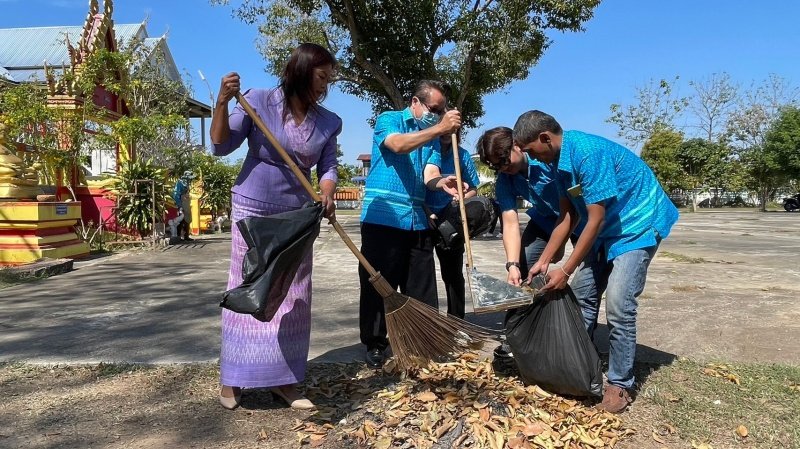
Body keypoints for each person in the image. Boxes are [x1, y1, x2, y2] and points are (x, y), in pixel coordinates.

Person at [513, 110, 679, 413]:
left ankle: (619, 384)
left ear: (545, 138)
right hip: (604, 231)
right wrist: (545, 261)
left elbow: (596, 218)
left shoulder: (588, 153)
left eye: (529, 149)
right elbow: (567, 216)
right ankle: (575, 364)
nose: (529, 158)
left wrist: (565, 268)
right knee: (582, 295)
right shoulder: (555, 163)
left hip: (636, 225)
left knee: (619, 303)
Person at [210, 43, 341, 411]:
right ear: (300, 71)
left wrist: (327, 190)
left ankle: (284, 381)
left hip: (298, 216)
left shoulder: (328, 121)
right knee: (250, 287)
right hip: (252, 209)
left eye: (328, 79)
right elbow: (222, 145)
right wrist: (221, 102)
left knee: (292, 295)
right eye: (320, 77)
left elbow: (328, 166)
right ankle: (233, 379)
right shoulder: (258, 100)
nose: (324, 86)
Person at [359, 80, 461, 368]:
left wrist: (442, 182)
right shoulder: (389, 119)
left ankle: (422, 340)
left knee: (422, 285)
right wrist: (440, 129)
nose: (438, 115)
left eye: (442, 112)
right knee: (378, 283)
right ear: (415, 102)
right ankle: (376, 343)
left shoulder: (431, 139)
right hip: (384, 217)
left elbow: (430, 172)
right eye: (435, 109)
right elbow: (397, 145)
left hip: (417, 220)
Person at [476, 126, 580, 359]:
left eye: (504, 160)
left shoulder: (546, 158)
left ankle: (577, 340)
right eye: (496, 166)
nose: (503, 168)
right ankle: (518, 336)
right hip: (544, 222)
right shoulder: (506, 179)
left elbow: (572, 210)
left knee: (587, 279)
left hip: (578, 219)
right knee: (523, 271)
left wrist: (560, 244)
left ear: (516, 145)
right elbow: (510, 223)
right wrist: (511, 264)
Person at [423, 132, 479, 319]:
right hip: (425, 217)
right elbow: (415, 184)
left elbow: (473, 188)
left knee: (453, 274)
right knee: (423, 274)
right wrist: (424, 208)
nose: (447, 134)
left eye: (452, 129)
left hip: (451, 219)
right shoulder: (426, 151)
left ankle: (456, 321)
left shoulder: (461, 155)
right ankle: (427, 320)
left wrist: (459, 198)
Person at [172, 170, 195, 241]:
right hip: (181, 203)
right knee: (180, 220)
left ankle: (186, 235)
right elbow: (176, 194)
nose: (190, 180)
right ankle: (179, 236)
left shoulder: (187, 184)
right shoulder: (179, 183)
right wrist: (179, 205)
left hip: (186, 203)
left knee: (187, 219)